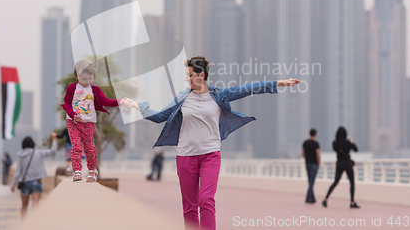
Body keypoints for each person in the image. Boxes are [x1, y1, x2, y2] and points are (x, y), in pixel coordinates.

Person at [121, 55, 300, 230]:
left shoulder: (219, 95)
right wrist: (138, 106)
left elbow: (247, 88)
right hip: (185, 157)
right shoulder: (182, 98)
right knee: (189, 206)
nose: (187, 78)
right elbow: (160, 116)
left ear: (201, 76)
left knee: (206, 199)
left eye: (190, 75)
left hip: (210, 155)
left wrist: (278, 83)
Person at [60, 59, 120, 182]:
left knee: (89, 148)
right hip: (73, 122)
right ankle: (77, 171)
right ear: (76, 76)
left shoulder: (95, 90)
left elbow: (105, 101)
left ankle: (92, 171)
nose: (87, 82)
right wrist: (72, 114)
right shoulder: (72, 88)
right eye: (84, 79)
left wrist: (119, 102)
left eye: (90, 79)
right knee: (76, 146)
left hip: (88, 123)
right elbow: (66, 103)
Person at [10, 133, 58, 220]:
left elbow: (18, 171)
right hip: (37, 181)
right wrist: (54, 139)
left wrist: (12, 185)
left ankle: (23, 225)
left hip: (24, 183)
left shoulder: (20, 155)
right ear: (33, 144)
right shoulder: (38, 153)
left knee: (24, 206)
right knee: (35, 204)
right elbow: (53, 151)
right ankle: (34, 224)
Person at [322, 126, 360, 208]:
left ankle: (326, 199)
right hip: (347, 164)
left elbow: (336, 149)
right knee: (352, 182)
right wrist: (351, 141)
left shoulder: (335, 143)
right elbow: (356, 149)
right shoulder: (348, 142)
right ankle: (352, 202)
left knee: (335, 182)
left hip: (339, 164)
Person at [302, 128, 320, 204]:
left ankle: (312, 198)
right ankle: (308, 197)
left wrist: (307, 158)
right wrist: (318, 163)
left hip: (307, 163)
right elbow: (318, 154)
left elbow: (302, 153)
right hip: (314, 164)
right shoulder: (316, 143)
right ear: (315, 134)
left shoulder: (305, 143)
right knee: (312, 181)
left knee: (310, 181)